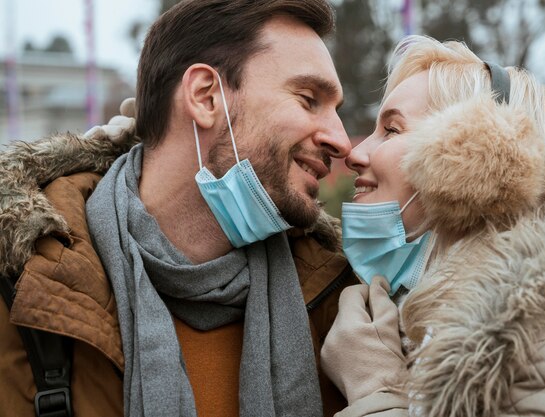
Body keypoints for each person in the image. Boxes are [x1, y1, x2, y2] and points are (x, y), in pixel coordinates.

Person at [0, 1, 360, 416]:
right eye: (309, 99)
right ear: (206, 97)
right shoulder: (19, 289)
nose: (342, 141)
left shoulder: (343, 312)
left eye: (338, 112)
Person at [321, 35, 545, 416]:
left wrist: (375, 390)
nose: (355, 152)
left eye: (393, 130)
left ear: (475, 162)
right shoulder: (421, 322)